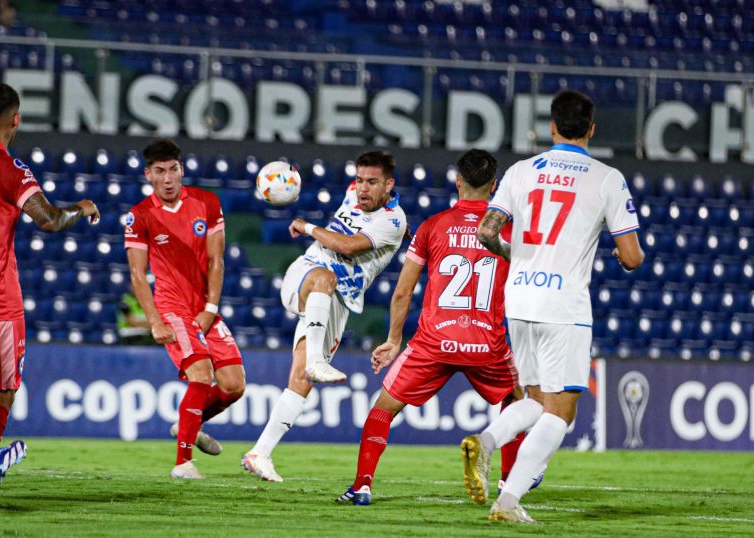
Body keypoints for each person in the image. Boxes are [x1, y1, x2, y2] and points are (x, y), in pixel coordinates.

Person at [474, 90, 644, 523]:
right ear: (591, 128)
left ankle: (488, 442)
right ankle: (508, 501)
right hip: (563, 304)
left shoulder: (519, 171)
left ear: (551, 127)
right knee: (561, 413)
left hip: (520, 298)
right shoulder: (607, 177)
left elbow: (486, 233)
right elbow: (631, 256)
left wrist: (521, 259)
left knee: (535, 399)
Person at [335, 149, 530, 506]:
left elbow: (403, 291)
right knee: (517, 403)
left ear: (457, 182)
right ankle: (508, 483)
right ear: (495, 186)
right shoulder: (510, 232)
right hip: (486, 343)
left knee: (382, 410)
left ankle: (362, 485)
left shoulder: (432, 226)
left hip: (434, 341)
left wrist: (394, 340)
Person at [242, 150, 407, 482]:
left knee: (301, 382)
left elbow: (348, 246)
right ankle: (317, 360)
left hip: (337, 303)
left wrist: (306, 226)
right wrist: (285, 175)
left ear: (389, 184)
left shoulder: (393, 220)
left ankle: (260, 453)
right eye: (359, 180)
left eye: (372, 182)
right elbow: (332, 249)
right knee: (325, 277)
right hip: (307, 274)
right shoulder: (352, 194)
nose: (362, 189)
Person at [0, 82, 100, 486]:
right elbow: (50, 220)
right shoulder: (10, 169)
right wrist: (83, 207)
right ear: (15, 120)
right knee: (2, 386)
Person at [124, 138, 246, 480]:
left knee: (234, 385)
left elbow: (217, 259)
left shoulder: (207, 202)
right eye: (159, 171)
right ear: (148, 174)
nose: (167, 178)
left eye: (173, 170)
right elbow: (137, 273)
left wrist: (210, 307)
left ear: (182, 170)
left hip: (204, 306)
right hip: (172, 307)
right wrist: (154, 320)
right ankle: (183, 463)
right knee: (201, 375)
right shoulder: (140, 215)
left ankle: (186, 425)